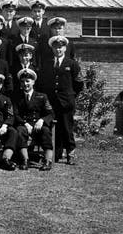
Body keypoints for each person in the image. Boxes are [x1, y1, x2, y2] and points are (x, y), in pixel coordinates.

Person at [39, 35, 83, 164]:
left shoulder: (72, 64)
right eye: (56, 47)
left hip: (66, 102)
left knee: (67, 128)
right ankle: (56, 154)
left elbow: (79, 84)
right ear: (52, 48)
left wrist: (71, 95)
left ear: (65, 48)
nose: (58, 50)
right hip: (51, 102)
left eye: (61, 47)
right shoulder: (47, 64)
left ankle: (71, 153)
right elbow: (42, 83)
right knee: (54, 128)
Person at [13, 68, 55, 171]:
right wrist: (25, 123)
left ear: (33, 82)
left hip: (38, 125)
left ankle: (47, 161)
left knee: (46, 131)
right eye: (22, 82)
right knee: (20, 131)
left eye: (28, 81)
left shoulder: (42, 96)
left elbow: (51, 114)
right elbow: (15, 114)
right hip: (24, 125)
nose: (25, 84)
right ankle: (25, 160)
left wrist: (42, 120)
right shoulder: (16, 97)